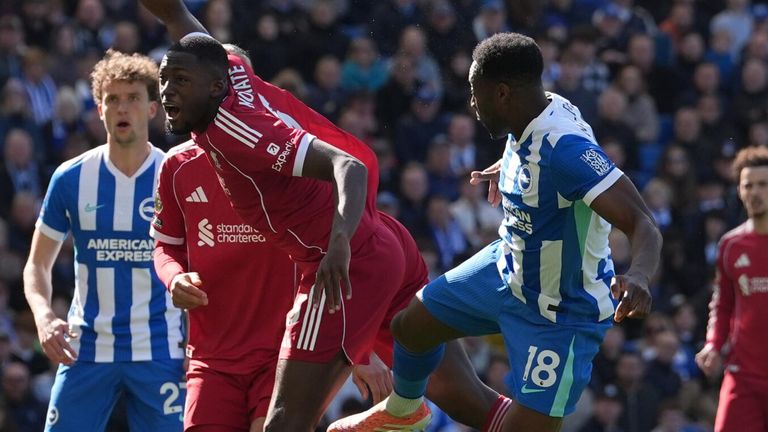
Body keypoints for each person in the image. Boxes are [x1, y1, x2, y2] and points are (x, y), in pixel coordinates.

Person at [140, 1, 513, 430]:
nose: (166, 92)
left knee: (284, 423)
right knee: (472, 402)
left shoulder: (239, 130)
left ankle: (402, 412)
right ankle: (427, 413)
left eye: (180, 81)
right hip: (385, 242)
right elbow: (182, 24)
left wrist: (337, 248)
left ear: (214, 84)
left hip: (340, 266)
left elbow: (346, 167)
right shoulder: (234, 76)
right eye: (164, 80)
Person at [331, 32, 661, 432]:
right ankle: (404, 414)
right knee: (410, 326)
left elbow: (643, 221)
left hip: (560, 312)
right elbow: (525, 145)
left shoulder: (566, 152)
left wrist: (640, 275)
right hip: (508, 266)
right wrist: (508, 171)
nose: (471, 103)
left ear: (502, 93)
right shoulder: (537, 106)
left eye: (476, 93)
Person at [22, 49, 185, 431]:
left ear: (151, 109)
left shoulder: (177, 176)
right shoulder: (71, 178)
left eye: (132, 98)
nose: (121, 107)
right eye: (112, 99)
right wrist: (45, 318)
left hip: (159, 348)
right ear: (99, 109)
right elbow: (36, 265)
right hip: (87, 348)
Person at [696, 146, 768, 432]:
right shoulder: (731, 245)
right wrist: (714, 344)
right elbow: (723, 302)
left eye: (763, 184)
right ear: (739, 190)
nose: (755, 192)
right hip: (744, 375)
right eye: (748, 185)